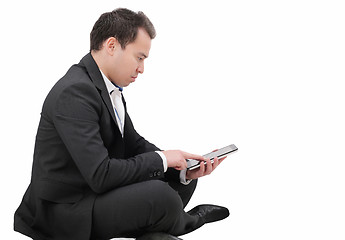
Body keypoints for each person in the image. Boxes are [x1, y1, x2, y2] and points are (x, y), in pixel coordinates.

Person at [14, 8, 229, 240]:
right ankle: (187, 222)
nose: (142, 69)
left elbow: (133, 145)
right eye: (139, 57)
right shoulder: (74, 92)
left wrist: (181, 166)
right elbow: (100, 174)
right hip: (66, 209)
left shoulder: (107, 88)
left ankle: (155, 234)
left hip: (95, 193)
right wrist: (163, 159)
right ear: (112, 46)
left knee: (180, 180)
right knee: (160, 196)